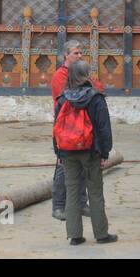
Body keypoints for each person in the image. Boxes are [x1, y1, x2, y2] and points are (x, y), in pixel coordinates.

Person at [54, 59, 117, 245]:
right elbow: (104, 128)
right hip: (91, 151)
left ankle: (74, 236)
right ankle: (101, 234)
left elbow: (55, 127)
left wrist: (58, 153)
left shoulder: (62, 99)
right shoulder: (96, 98)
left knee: (72, 192)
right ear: (86, 75)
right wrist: (105, 152)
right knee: (95, 192)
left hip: (67, 151)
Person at [49, 42, 100, 220]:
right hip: (65, 127)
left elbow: (98, 90)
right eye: (75, 53)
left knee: (83, 167)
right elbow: (69, 97)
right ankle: (58, 206)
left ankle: (81, 203)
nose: (79, 56)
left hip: (84, 127)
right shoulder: (60, 76)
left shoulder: (84, 74)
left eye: (81, 52)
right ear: (66, 56)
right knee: (63, 167)